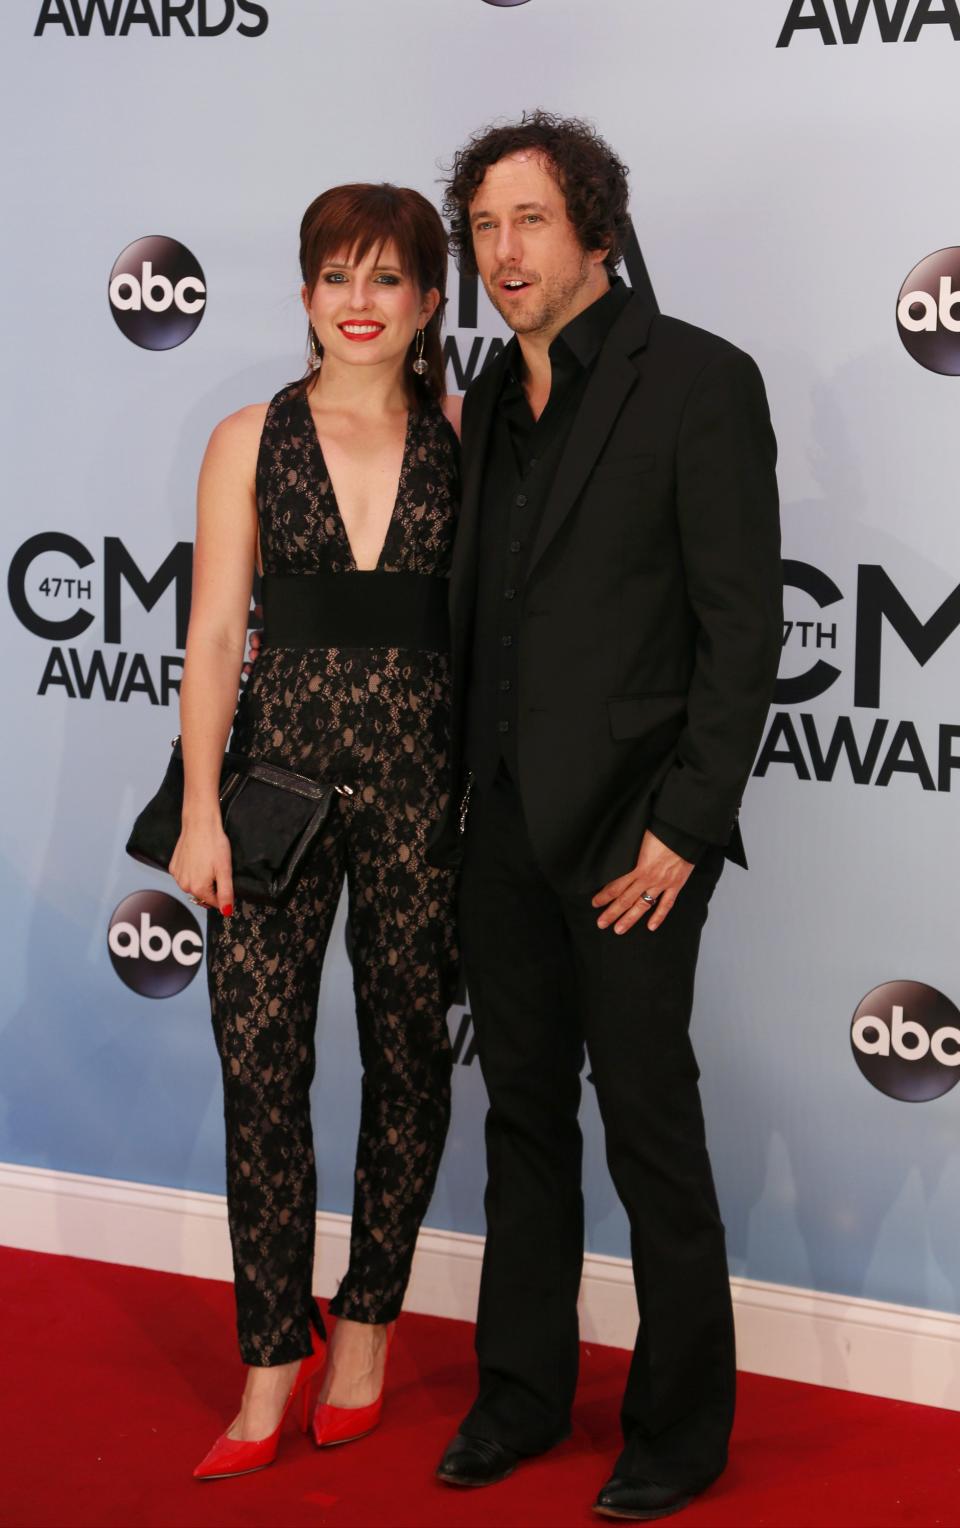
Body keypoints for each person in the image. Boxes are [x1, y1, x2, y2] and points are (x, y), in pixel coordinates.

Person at [429, 112, 782, 1521]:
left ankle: (680, 1429)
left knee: (648, 1127)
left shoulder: (696, 381)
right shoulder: (482, 404)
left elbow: (739, 628)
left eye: (528, 221)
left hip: (636, 840)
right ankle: (519, 1395)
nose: (502, 254)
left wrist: (687, 829)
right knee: (521, 1122)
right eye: (482, 230)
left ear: (598, 229)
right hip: (498, 830)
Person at [171, 182, 462, 1481]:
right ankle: (268, 1359)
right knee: (260, 1075)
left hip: (422, 796)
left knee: (407, 1062)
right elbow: (218, 637)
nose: (359, 301)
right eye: (335, 276)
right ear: (303, 297)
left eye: (386, 278)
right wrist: (197, 811)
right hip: (270, 801)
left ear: (428, 302)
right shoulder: (247, 439)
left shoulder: (468, 439)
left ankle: (367, 1333)